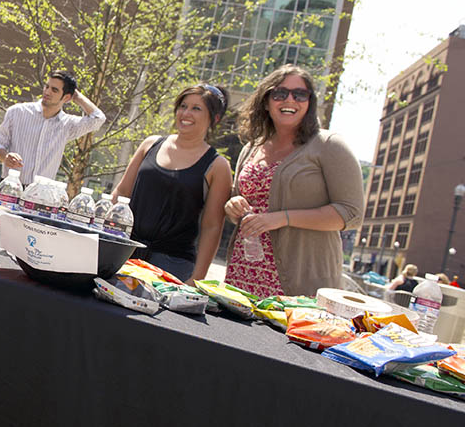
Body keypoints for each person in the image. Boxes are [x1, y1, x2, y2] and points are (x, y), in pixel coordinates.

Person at [223, 64, 364, 298]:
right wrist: (233, 205)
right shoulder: (250, 148)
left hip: (299, 284)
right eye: (279, 93)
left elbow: (351, 214)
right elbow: (238, 206)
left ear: (309, 103)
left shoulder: (329, 145)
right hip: (242, 275)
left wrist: (281, 219)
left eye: (299, 94)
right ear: (266, 102)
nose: (290, 100)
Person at [110, 84, 233, 283]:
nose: (186, 113)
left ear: (214, 118)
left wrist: (197, 278)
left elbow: (212, 226)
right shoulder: (150, 144)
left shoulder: (218, 166)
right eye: (183, 106)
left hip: (172, 265)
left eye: (196, 108)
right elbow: (122, 192)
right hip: (124, 252)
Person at [0, 71, 105, 186]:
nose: (47, 92)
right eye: (47, 87)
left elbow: (98, 119)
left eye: (54, 90)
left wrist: (77, 97)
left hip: (41, 195)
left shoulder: (67, 125)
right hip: (11, 188)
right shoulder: (16, 112)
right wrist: (5, 157)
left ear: (66, 97)